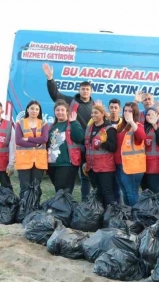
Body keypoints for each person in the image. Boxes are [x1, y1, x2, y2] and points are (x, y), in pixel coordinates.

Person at [42, 63, 95, 201]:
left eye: (87, 89)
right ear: (79, 90)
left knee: (87, 176)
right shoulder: (71, 101)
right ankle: (66, 203)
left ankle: (86, 201)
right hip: (75, 144)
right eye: (83, 89)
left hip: (89, 145)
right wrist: (50, 79)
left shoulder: (95, 106)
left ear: (91, 91)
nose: (85, 91)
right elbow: (55, 94)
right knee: (73, 177)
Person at [83, 105, 118, 207]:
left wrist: (103, 142)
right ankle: (99, 215)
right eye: (92, 113)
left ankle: (110, 216)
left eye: (96, 113)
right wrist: (84, 162)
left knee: (107, 192)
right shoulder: (89, 128)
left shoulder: (109, 129)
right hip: (91, 167)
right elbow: (87, 147)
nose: (93, 115)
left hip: (105, 167)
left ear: (102, 114)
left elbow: (113, 147)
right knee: (97, 192)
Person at [46, 100, 84, 193]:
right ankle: (61, 207)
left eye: (62, 110)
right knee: (58, 190)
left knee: (62, 189)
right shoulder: (52, 127)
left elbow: (79, 138)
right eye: (57, 110)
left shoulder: (72, 124)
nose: (60, 112)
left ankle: (65, 207)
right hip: (53, 163)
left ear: (67, 111)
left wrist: (74, 122)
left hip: (67, 163)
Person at [15, 100, 49, 198]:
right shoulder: (20, 123)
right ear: (27, 110)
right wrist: (36, 144)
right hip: (24, 160)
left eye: (37, 109)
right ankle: (23, 209)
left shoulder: (43, 123)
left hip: (39, 161)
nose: (34, 111)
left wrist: (28, 139)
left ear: (39, 111)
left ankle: (35, 209)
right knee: (24, 187)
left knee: (36, 187)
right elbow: (19, 141)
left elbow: (44, 139)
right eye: (32, 108)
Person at [114, 103, 146, 206]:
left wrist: (132, 122)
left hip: (132, 167)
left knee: (131, 193)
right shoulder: (121, 126)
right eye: (125, 110)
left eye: (130, 111)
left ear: (135, 113)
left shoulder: (137, 125)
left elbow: (142, 137)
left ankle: (135, 216)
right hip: (119, 165)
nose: (127, 113)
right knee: (125, 192)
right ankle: (128, 214)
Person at [141, 107, 159, 202]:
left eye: (152, 114)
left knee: (155, 191)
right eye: (148, 115)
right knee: (145, 191)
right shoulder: (143, 128)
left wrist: (154, 124)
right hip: (143, 166)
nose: (149, 117)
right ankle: (148, 211)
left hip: (156, 167)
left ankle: (158, 212)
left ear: (156, 116)